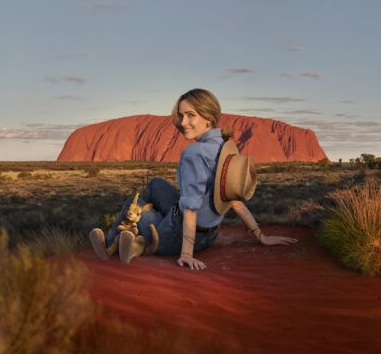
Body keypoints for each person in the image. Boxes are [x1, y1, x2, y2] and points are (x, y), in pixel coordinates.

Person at [89, 88, 298, 270]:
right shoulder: (223, 147)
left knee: (133, 204)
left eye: (191, 115)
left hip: (178, 235)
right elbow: (234, 199)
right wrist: (260, 235)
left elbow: (190, 208)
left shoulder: (194, 153)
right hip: (210, 235)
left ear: (208, 117)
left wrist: (187, 253)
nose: (183, 123)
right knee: (155, 184)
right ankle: (133, 240)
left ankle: (112, 243)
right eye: (181, 116)